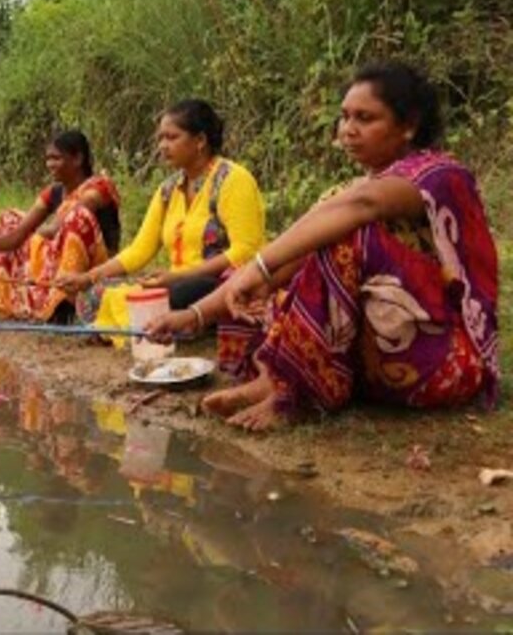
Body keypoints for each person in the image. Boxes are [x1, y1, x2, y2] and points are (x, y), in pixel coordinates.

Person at [147, 61, 501, 432]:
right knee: (261, 270)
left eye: (365, 118)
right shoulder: (349, 193)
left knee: (339, 239)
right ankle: (275, 376)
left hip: (442, 365)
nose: (348, 130)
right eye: (345, 117)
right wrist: (193, 316)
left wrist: (260, 268)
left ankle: (294, 391)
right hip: (374, 361)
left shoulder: (439, 175)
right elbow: (286, 258)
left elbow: (364, 206)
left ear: (409, 124)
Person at [56, 100, 266, 337]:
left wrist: (179, 276)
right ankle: (152, 325)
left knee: (175, 295)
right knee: (96, 292)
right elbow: (139, 250)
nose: (162, 146)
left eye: (171, 137)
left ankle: (179, 322)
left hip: (221, 284)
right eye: (160, 139)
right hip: (176, 282)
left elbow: (245, 251)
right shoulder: (168, 190)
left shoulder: (233, 180)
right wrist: (88, 277)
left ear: (200, 141)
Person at [0, 129, 121, 324]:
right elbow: (17, 235)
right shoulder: (54, 192)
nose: (50, 165)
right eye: (48, 159)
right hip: (63, 261)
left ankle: (64, 305)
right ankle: (23, 300)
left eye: (56, 158)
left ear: (78, 159)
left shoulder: (97, 189)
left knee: (76, 219)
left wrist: (33, 239)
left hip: (99, 268)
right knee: (9, 218)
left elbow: (55, 228)